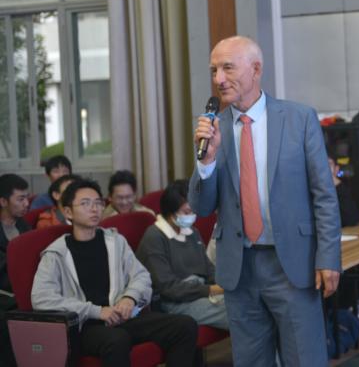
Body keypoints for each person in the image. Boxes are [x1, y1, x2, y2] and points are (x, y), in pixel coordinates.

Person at [188, 35, 341, 366]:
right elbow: (202, 207)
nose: (219, 79)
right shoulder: (213, 129)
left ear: (255, 69)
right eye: (214, 70)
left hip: (294, 264)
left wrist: (328, 257)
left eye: (228, 68)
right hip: (239, 267)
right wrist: (206, 162)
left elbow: (324, 196)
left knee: (305, 359)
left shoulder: (299, 119)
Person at [31, 179, 198, 367]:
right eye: (85, 204)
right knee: (117, 339)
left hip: (121, 317)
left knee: (185, 325)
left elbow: (141, 276)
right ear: (68, 212)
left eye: (98, 203)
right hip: (86, 326)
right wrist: (97, 311)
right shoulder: (56, 253)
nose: (94, 209)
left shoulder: (115, 241)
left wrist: (130, 298)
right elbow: (41, 298)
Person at [137, 179, 228, 329]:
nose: (191, 216)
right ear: (170, 211)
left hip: (200, 292)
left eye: (193, 211)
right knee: (235, 310)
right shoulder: (154, 237)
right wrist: (212, 290)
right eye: (186, 212)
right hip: (173, 303)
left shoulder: (192, 231)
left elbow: (208, 268)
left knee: (246, 300)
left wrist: (225, 284)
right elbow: (168, 288)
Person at [0, 174, 31, 367]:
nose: (27, 203)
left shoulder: (23, 225)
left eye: (27, 197)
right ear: (3, 201)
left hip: (23, 288)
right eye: (20, 199)